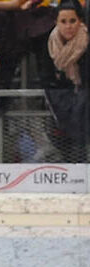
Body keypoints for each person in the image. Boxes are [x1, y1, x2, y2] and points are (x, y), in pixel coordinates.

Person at [39, 1, 88, 162]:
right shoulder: (49, 43)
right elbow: (46, 76)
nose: (68, 26)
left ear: (80, 21)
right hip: (61, 100)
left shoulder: (86, 42)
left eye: (73, 21)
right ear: (56, 22)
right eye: (63, 22)